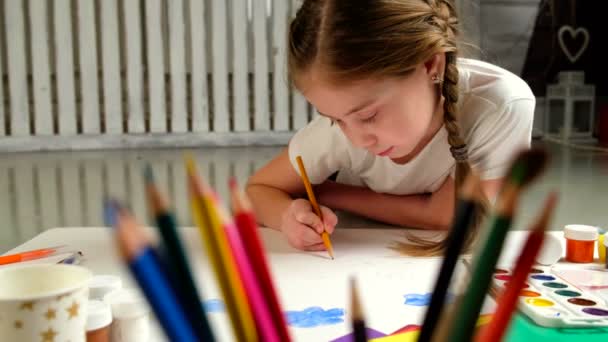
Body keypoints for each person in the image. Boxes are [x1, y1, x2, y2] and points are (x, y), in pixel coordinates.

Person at [246, 0, 534, 254]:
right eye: (334, 118)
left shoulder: (502, 105)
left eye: (369, 116)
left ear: (431, 64)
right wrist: (285, 215)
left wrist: (324, 192)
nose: (357, 140)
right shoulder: (335, 136)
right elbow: (257, 189)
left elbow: (447, 215)